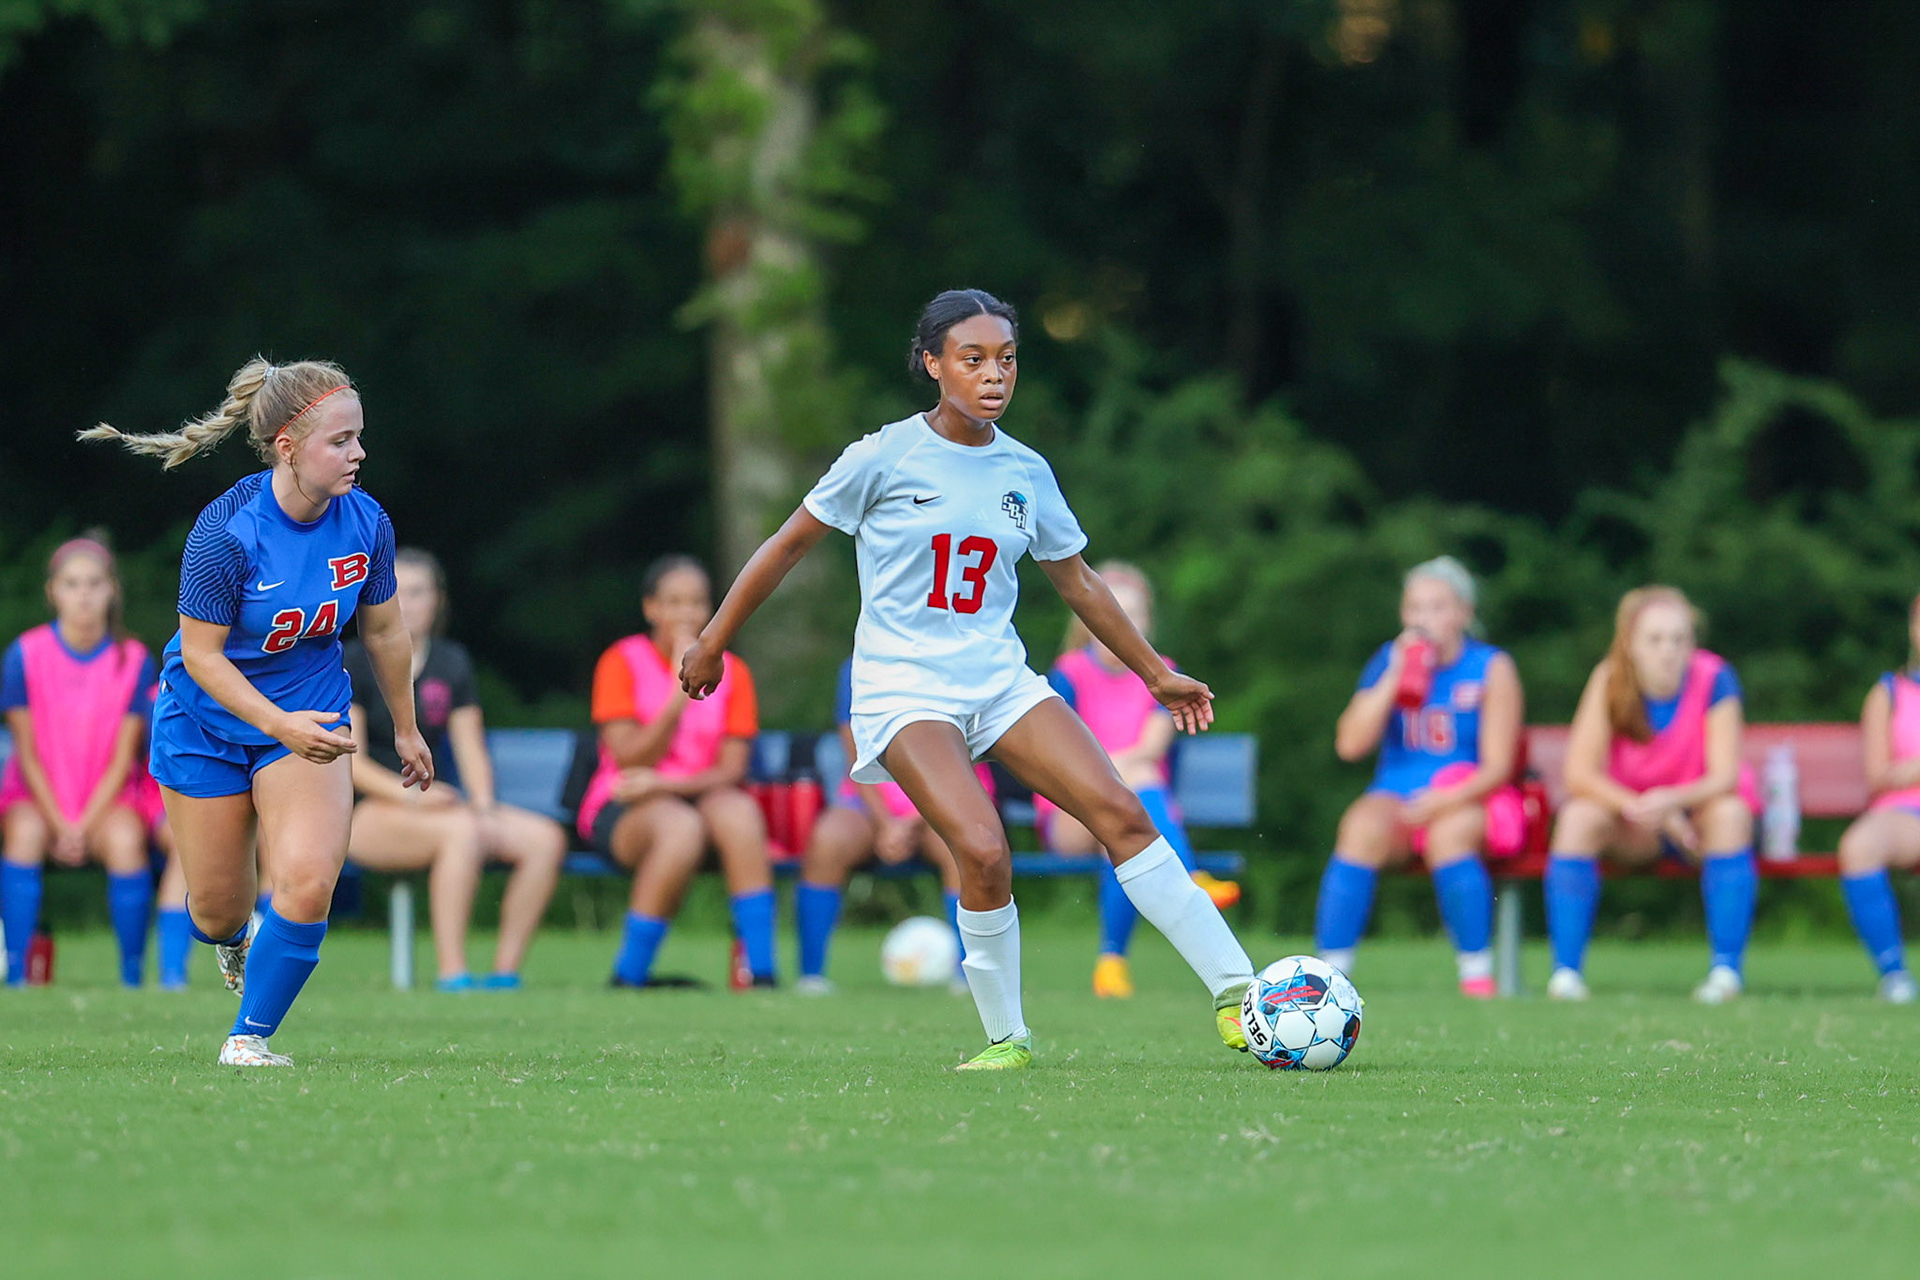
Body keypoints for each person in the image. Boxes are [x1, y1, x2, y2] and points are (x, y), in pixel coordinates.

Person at [680, 288, 1255, 1070]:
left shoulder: (1025, 470)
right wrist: (713, 640)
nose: (994, 375)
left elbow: (1080, 582)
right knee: (982, 850)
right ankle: (1006, 1038)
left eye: (1007, 360)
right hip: (903, 689)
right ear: (932, 363)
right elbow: (786, 546)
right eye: (973, 359)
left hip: (998, 681)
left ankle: (1239, 993)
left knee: (1123, 812)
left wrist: (1157, 674)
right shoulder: (882, 457)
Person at [82, 356, 432, 1065]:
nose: (359, 453)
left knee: (306, 880)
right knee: (219, 911)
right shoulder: (227, 531)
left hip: (309, 714)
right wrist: (276, 723)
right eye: (341, 441)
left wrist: (406, 726)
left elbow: (386, 631)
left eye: (359, 437)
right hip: (203, 721)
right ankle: (233, 940)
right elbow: (202, 656)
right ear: (287, 447)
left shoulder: (367, 522)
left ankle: (249, 1037)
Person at [343, 549, 565, 991]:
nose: (407, 604)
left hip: (440, 805)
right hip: (364, 813)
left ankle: (504, 974)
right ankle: (453, 973)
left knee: (545, 839)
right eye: (395, 592)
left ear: (438, 600)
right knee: (461, 833)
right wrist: (409, 797)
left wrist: (483, 805)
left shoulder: (451, 662)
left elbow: (470, 748)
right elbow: (351, 762)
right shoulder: (355, 660)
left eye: (418, 592)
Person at [1314, 557, 1524, 998]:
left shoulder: (1490, 666)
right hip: (1397, 794)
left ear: (1464, 612)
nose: (1424, 619)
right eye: (1415, 608)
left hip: (1468, 794)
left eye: (1437, 607)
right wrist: (1395, 673)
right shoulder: (1387, 661)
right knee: (1359, 828)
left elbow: (1499, 765)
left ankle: (1476, 976)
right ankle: (1328, 978)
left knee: (1450, 835)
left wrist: (1443, 801)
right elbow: (1349, 745)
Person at [1544, 585, 1757, 1004]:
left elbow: (1725, 776)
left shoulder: (1716, 678)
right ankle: (1565, 974)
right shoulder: (1608, 678)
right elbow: (1579, 773)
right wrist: (1644, 807)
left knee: (1731, 814)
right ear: (1630, 644)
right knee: (1577, 818)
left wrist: (1673, 802)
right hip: (1635, 821)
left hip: (1697, 821)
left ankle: (1726, 972)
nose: (1668, 651)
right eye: (1655, 639)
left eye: (1679, 639)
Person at [1038, 561, 1241, 999]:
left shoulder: (1163, 672)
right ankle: (1190, 875)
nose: (1120, 623)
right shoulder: (1068, 673)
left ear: (1146, 624)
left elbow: (1153, 745)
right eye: (1112, 612)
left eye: (1132, 615)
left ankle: (1111, 966)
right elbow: (1060, 756)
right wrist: (1111, 773)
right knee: (1128, 794)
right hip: (1070, 809)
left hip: (1128, 807)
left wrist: (1114, 772)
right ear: (1089, 620)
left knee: (1122, 822)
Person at [579, 555, 776, 990]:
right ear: (651, 608)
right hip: (628, 801)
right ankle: (629, 975)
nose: (686, 613)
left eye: (696, 602)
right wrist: (675, 697)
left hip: (695, 794)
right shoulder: (620, 661)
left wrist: (669, 783)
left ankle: (761, 973)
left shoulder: (734, 672)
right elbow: (628, 760)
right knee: (679, 827)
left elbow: (733, 769)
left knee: (740, 812)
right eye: (674, 602)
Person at [1, 537, 163, 987]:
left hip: (107, 799)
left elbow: (123, 757)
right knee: (24, 833)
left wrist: (82, 824)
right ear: (53, 591)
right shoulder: (24, 654)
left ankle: (132, 978)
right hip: (37, 797)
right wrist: (60, 821)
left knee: (126, 840)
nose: (84, 595)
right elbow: (26, 753)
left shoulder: (134, 660)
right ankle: (17, 973)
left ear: (112, 589)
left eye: (94, 583)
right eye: (72, 584)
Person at [793, 656, 979, 994]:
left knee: (966, 845)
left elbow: (965, 753)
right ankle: (811, 976)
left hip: (941, 800)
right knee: (828, 839)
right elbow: (855, 757)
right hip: (869, 803)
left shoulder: (955, 660)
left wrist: (914, 819)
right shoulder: (857, 666)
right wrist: (887, 823)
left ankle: (970, 973)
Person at [1834, 594, 1920, 1004]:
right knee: (1858, 846)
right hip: (1905, 813)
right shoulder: (1888, 693)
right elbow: (1879, 776)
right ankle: (1894, 974)